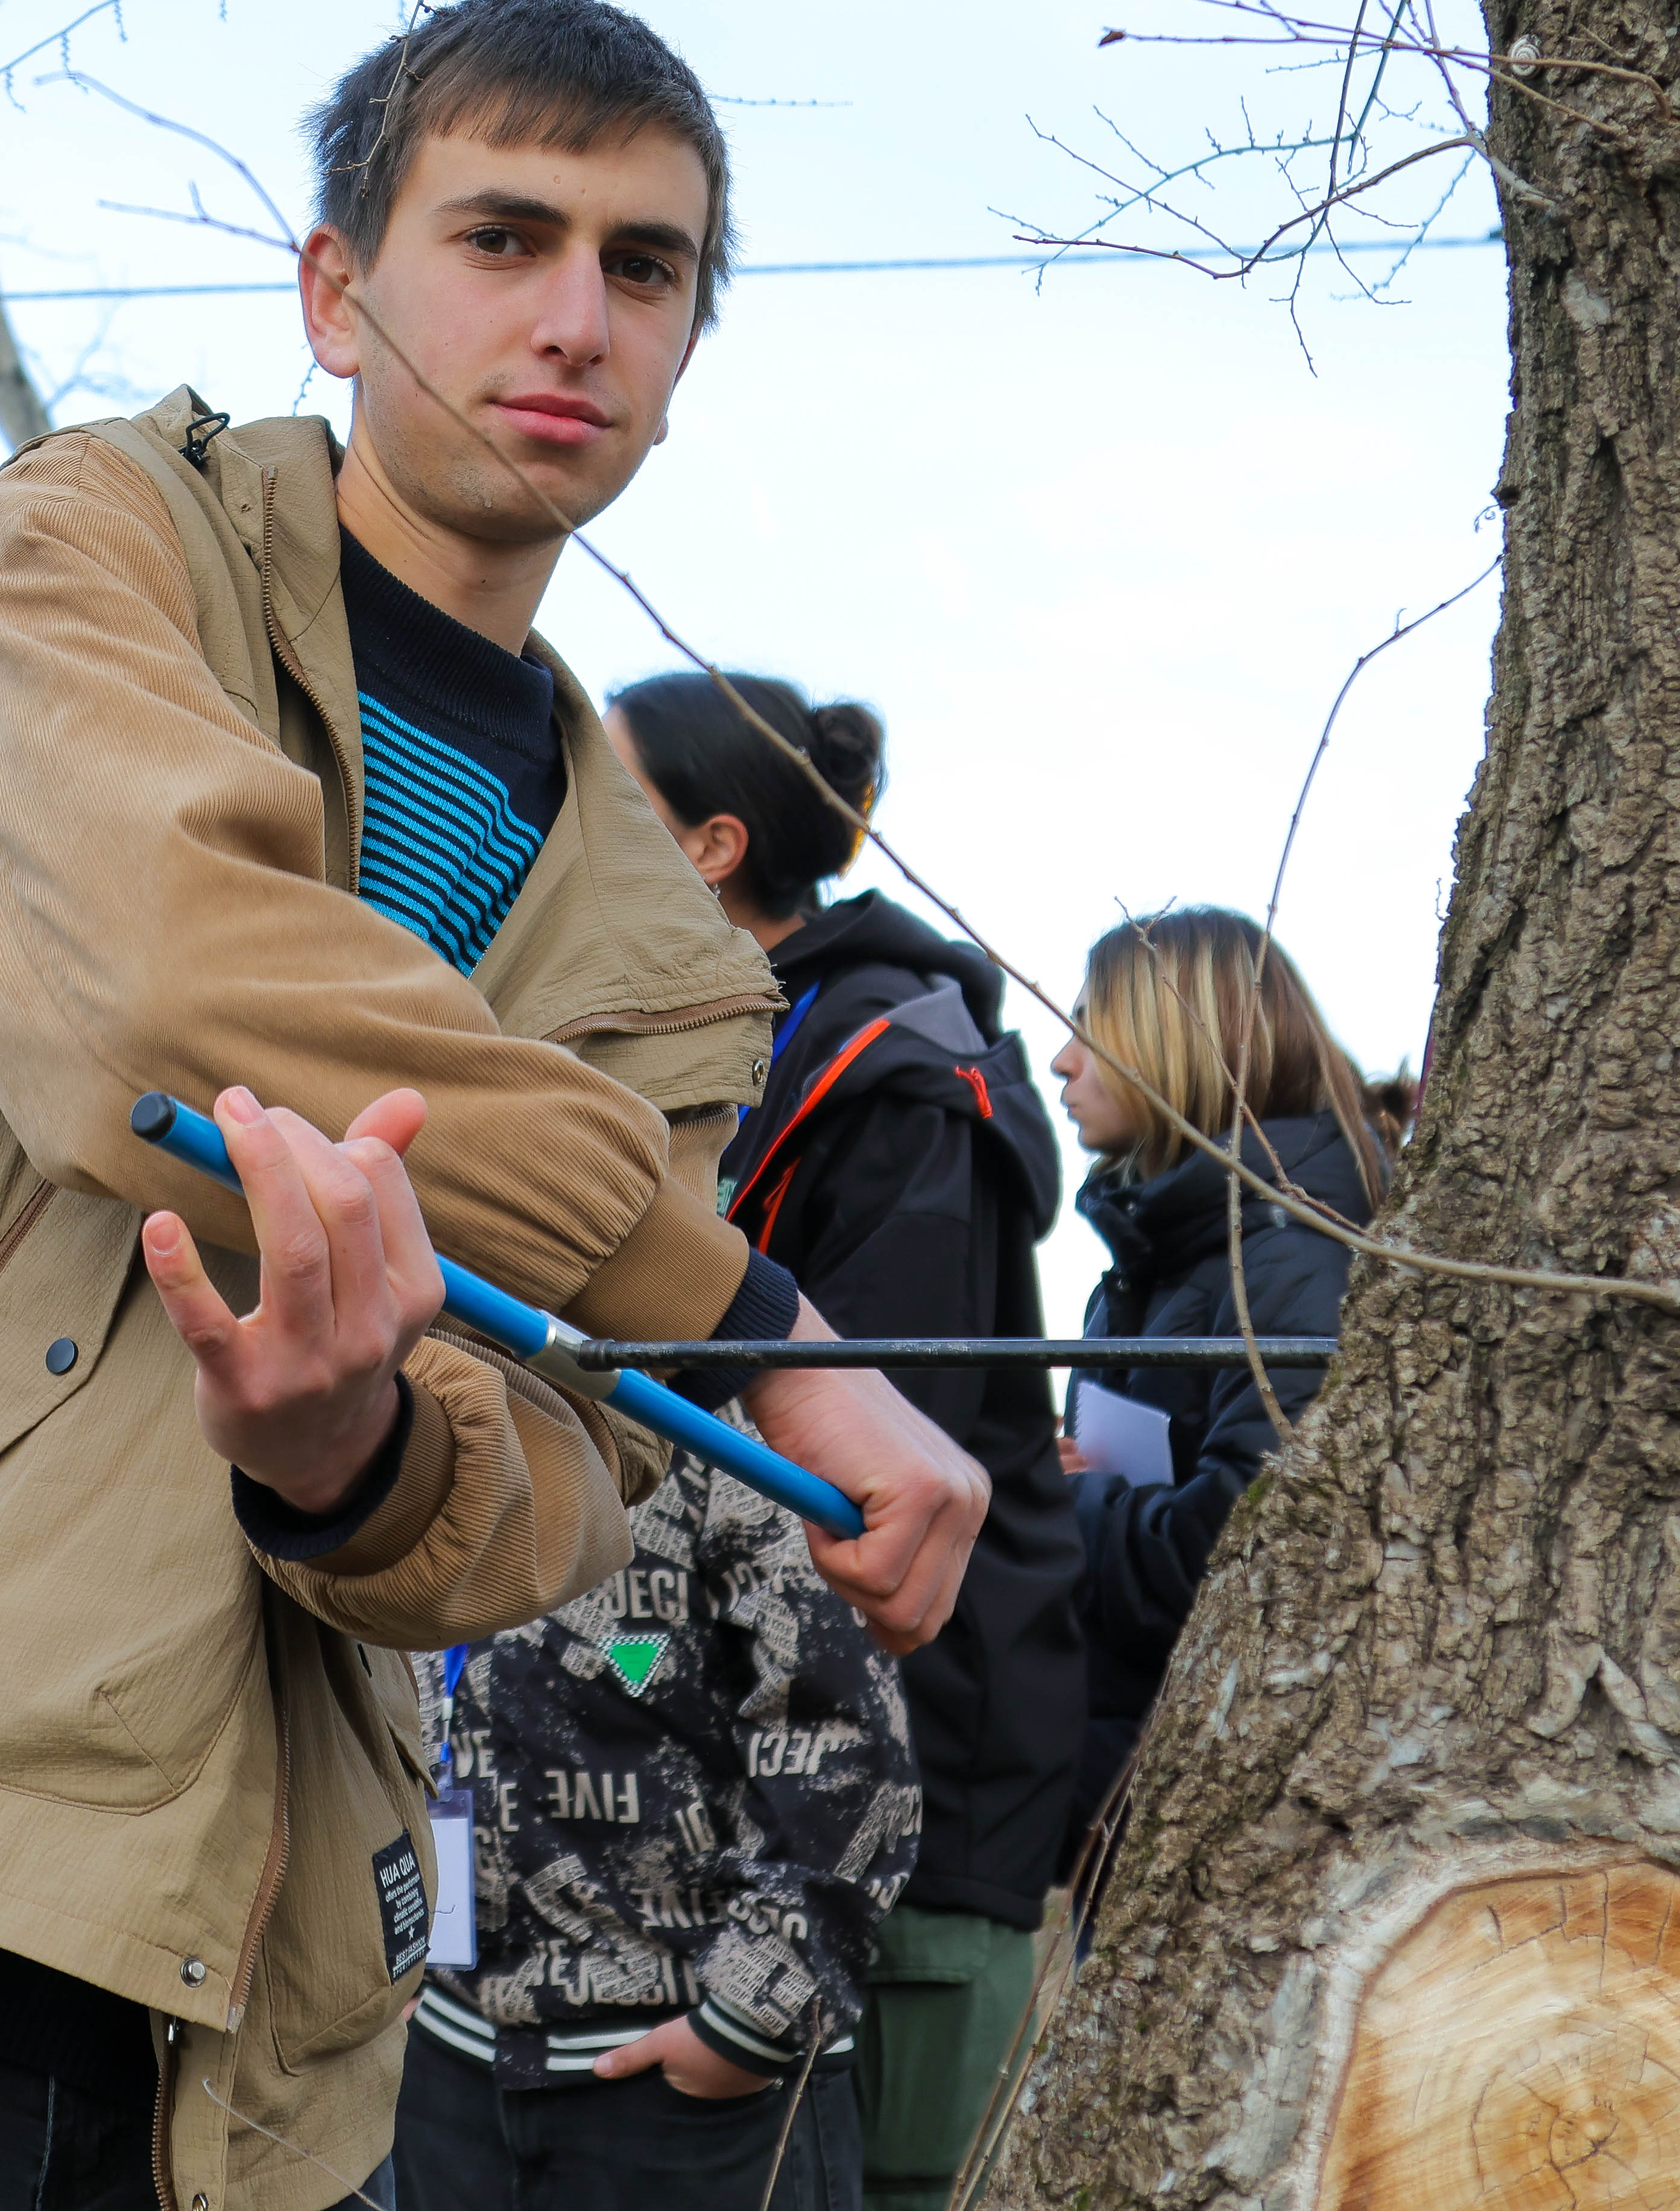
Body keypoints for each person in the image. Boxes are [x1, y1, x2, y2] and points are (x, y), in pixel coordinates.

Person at [0, 0, 987, 2211]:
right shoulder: (98, 543)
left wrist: (355, 1465)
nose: (576, 318)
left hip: (275, 1998)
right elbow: (160, 1008)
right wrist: (753, 1324)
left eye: (645, 268)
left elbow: (557, 1489)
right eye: (502, 238)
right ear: (334, 292)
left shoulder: (669, 957)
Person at [603, 677, 1078, 2210]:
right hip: (747, 1784)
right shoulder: (716, 1049)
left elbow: (875, 1452)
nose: (563, 817)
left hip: (903, 1797)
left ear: (712, 846)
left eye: (607, 789)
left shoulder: (897, 1079)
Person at [396, 1430, 921, 2211]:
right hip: (448, 2064)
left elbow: (840, 1737)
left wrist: (749, 2025)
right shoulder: (428, 1398)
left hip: (696, 2092)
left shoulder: (734, 1419)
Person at [1045, 908, 1386, 1878]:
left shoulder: (1292, 1257)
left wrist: (1061, 1504)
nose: (1061, 1061)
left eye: (1091, 1029)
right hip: (1135, 1789)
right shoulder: (1151, 1255)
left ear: (1181, 1044)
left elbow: (1251, 1549)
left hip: (1227, 1816)